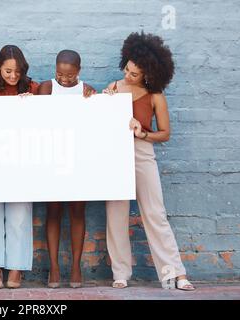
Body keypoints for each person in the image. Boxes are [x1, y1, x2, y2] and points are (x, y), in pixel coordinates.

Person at [104, 32, 195, 291]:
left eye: (134, 74)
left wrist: (143, 133)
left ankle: (174, 273)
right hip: (115, 155)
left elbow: (165, 133)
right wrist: (104, 104)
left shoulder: (155, 96)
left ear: (148, 74)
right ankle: (120, 273)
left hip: (142, 154)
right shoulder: (113, 87)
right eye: (126, 69)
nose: (127, 76)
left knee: (155, 214)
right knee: (116, 215)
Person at [0, 45, 39, 289]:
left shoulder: (33, 88)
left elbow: (52, 117)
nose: (13, 76)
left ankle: (16, 269)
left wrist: (34, 104)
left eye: (17, 72)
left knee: (20, 215)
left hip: (22, 160)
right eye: (8, 71)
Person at [38, 49, 96, 289]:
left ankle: (75, 267)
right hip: (51, 156)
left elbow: (95, 120)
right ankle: (53, 267)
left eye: (70, 75)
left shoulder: (86, 90)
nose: (64, 79)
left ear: (79, 72)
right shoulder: (46, 87)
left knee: (77, 212)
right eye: (60, 73)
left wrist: (98, 98)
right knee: (53, 211)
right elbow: (37, 119)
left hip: (78, 157)